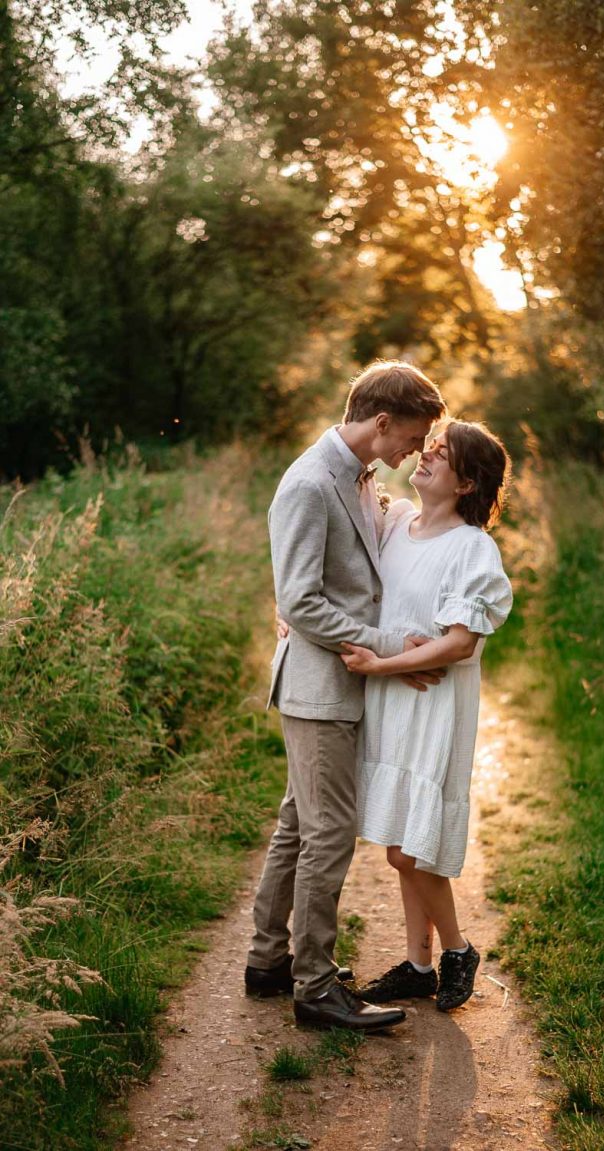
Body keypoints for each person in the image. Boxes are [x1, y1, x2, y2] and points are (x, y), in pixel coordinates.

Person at [245, 360, 446, 1031]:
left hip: (331, 682)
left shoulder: (357, 477)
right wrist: (389, 646)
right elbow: (299, 601)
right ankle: (315, 985)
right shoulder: (308, 484)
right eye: (412, 438)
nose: (414, 451)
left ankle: (269, 959)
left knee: (299, 823)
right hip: (320, 686)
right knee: (328, 832)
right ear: (382, 421)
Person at [340, 419, 513, 1012]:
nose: (427, 454)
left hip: (431, 706)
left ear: (467, 482)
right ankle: (418, 965)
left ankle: (457, 950)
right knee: (398, 836)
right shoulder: (393, 526)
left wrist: (380, 666)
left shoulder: (472, 549)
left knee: (406, 850)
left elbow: (459, 644)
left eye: (442, 453)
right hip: (391, 705)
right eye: (429, 446)